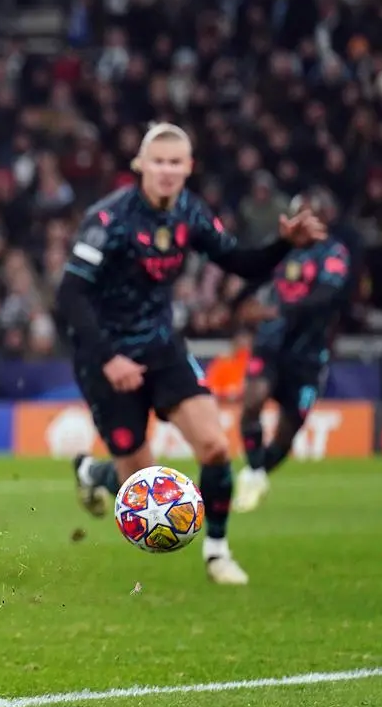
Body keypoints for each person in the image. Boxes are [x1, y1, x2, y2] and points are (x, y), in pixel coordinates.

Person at [56, 123, 325, 586]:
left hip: (163, 348)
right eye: (158, 161)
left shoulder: (189, 213)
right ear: (140, 166)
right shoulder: (109, 219)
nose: (166, 171)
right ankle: (92, 470)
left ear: (188, 168)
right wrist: (108, 358)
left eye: (175, 162)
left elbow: (239, 262)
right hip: (105, 355)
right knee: (135, 486)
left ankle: (217, 552)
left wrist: (283, 245)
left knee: (216, 447)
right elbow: (71, 294)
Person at [232, 187, 352, 512]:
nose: (304, 220)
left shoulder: (334, 253)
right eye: (299, 213)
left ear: (326, 218)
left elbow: (328, 296)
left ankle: (257, 471)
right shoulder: (282, 250)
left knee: (287, 432)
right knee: (252, 401)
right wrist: (233, 304)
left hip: (308, 354)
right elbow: (253, 277)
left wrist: (279, 310)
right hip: (270, 344)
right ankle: (254, 471)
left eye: (312, 213)